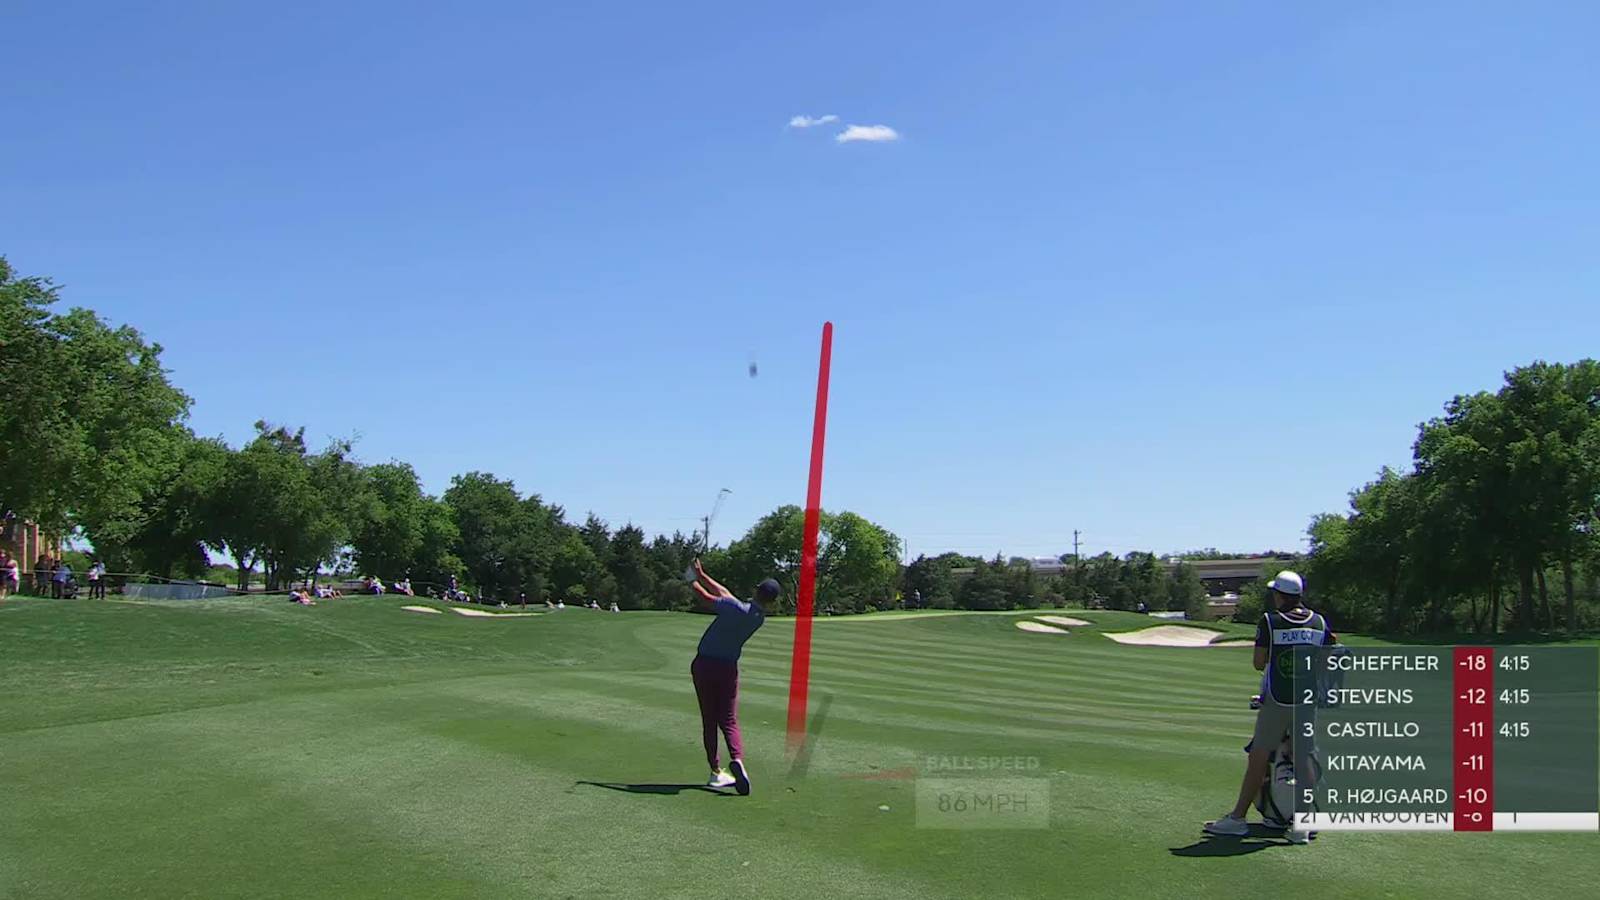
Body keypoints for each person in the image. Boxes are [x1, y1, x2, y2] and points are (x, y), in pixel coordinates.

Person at [1204, 571, 1336, 844]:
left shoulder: (1270, 621)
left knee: (1259, 755)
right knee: (1304, 758)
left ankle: (1237, 819)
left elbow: (1258, 661)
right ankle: (1302, 824)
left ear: (1280, 596)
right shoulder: (1319, 622)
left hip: (1278, 698)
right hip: (1306, 699)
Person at [688, 559, 776, 796]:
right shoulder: (756, 616)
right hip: (728, 669)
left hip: (704, 665)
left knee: (709, 719)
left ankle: (716, 771)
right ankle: (737, 759)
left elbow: (708, 599)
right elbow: (725, 594)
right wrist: (702, 574)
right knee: (728, 719)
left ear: (756, 591)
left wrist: (689, 580)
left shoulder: (736, 609)